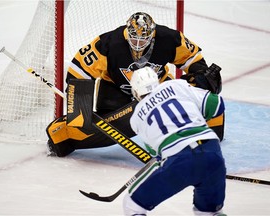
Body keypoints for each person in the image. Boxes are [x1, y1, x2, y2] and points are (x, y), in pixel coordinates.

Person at [46, 12, 224, 157]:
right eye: (134, 39)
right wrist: (78, 105)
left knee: (201, 94)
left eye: (143, 40)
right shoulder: (109, 43)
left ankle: (204, 128)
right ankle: (65, 135)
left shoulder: (169, 38)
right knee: (87, 128)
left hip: (157, 90)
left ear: (152, 35)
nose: (138, 44)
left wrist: (200, 76)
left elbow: (192, 57)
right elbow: (79, 68)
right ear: (127, 32)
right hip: (115, 93)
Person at [123, 66, 226, 216]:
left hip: (180, 159)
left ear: (136, 91)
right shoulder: (175, 85)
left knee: (132, 205)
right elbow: (217, 105)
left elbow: (155, 153)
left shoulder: (136, 118)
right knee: (208, 212)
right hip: (212, 152)